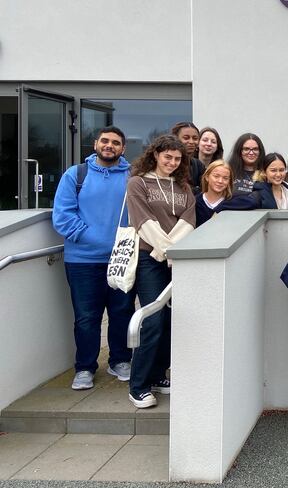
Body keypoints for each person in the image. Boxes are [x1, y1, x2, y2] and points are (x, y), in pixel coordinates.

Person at [52, 126, 135, 390]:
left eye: (116, 143)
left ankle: (120, 360)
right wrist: (98, 240)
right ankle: (85, 367)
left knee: (122, 313)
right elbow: (63, 217)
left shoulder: (133, 176)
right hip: (83, 261)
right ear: (96, 144)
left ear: (123, 149)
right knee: (87, 317)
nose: (109, 145)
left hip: (122, 259)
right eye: (105, 141)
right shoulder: (75, 175)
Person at [126, 134, 196, 408]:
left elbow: (188, 221)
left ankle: (157, 375)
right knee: (152, 319)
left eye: (178, 159)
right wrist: (163, 251)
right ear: (155, 154)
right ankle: (138, 385)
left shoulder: (183, 187)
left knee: (170, 320)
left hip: (174, 259)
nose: (172, 162)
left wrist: (170, 252)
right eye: (168, 157)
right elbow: (143, 220)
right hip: (149, 258)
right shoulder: (137, 183)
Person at [194, 160, 260, 227]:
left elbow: (253, 202)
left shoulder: (231, 200)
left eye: (225, 178)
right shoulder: (195, 201)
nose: (220, 181)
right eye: (216, 176)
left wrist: (221, 207)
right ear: (207, 177)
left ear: (229, 181)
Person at [171, 122, 206, 192]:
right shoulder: (168, 163)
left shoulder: (198, 165)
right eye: (186, 138)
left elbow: (205, 190)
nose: (191, 141)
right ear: (175, 138)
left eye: (195, 138)